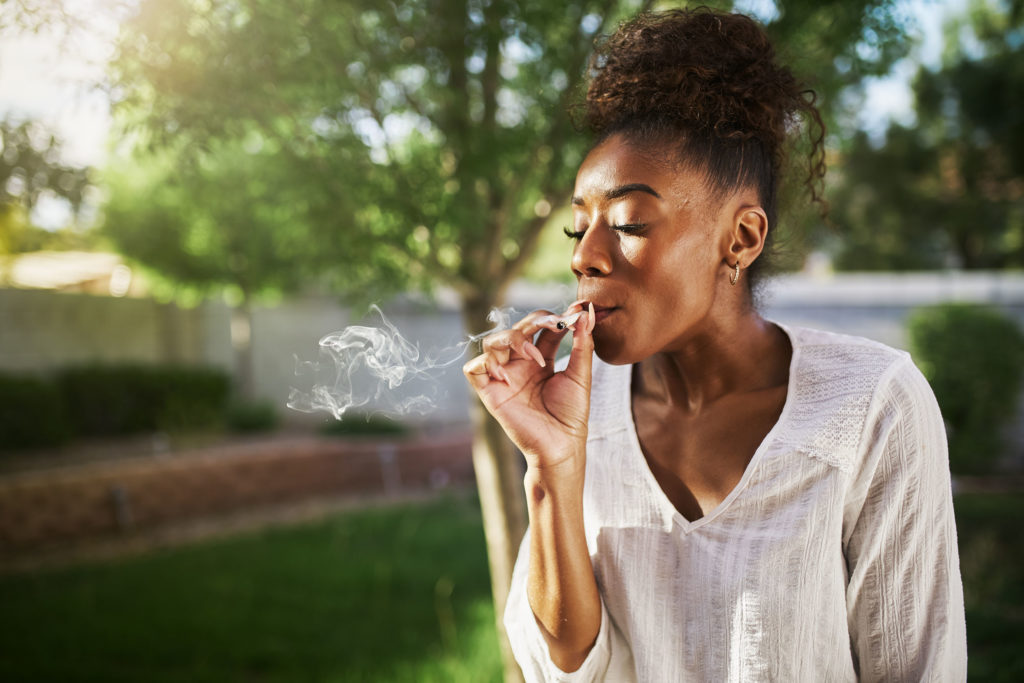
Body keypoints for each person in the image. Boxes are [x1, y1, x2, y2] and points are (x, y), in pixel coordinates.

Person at [463, 7, 967, 682]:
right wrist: (553, 465)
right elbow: (569, 665)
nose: (585, 256)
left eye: (631, 221)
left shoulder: (871, 407)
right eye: (577, 229)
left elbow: (919, 666)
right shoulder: (579, 409)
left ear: (742, 238)